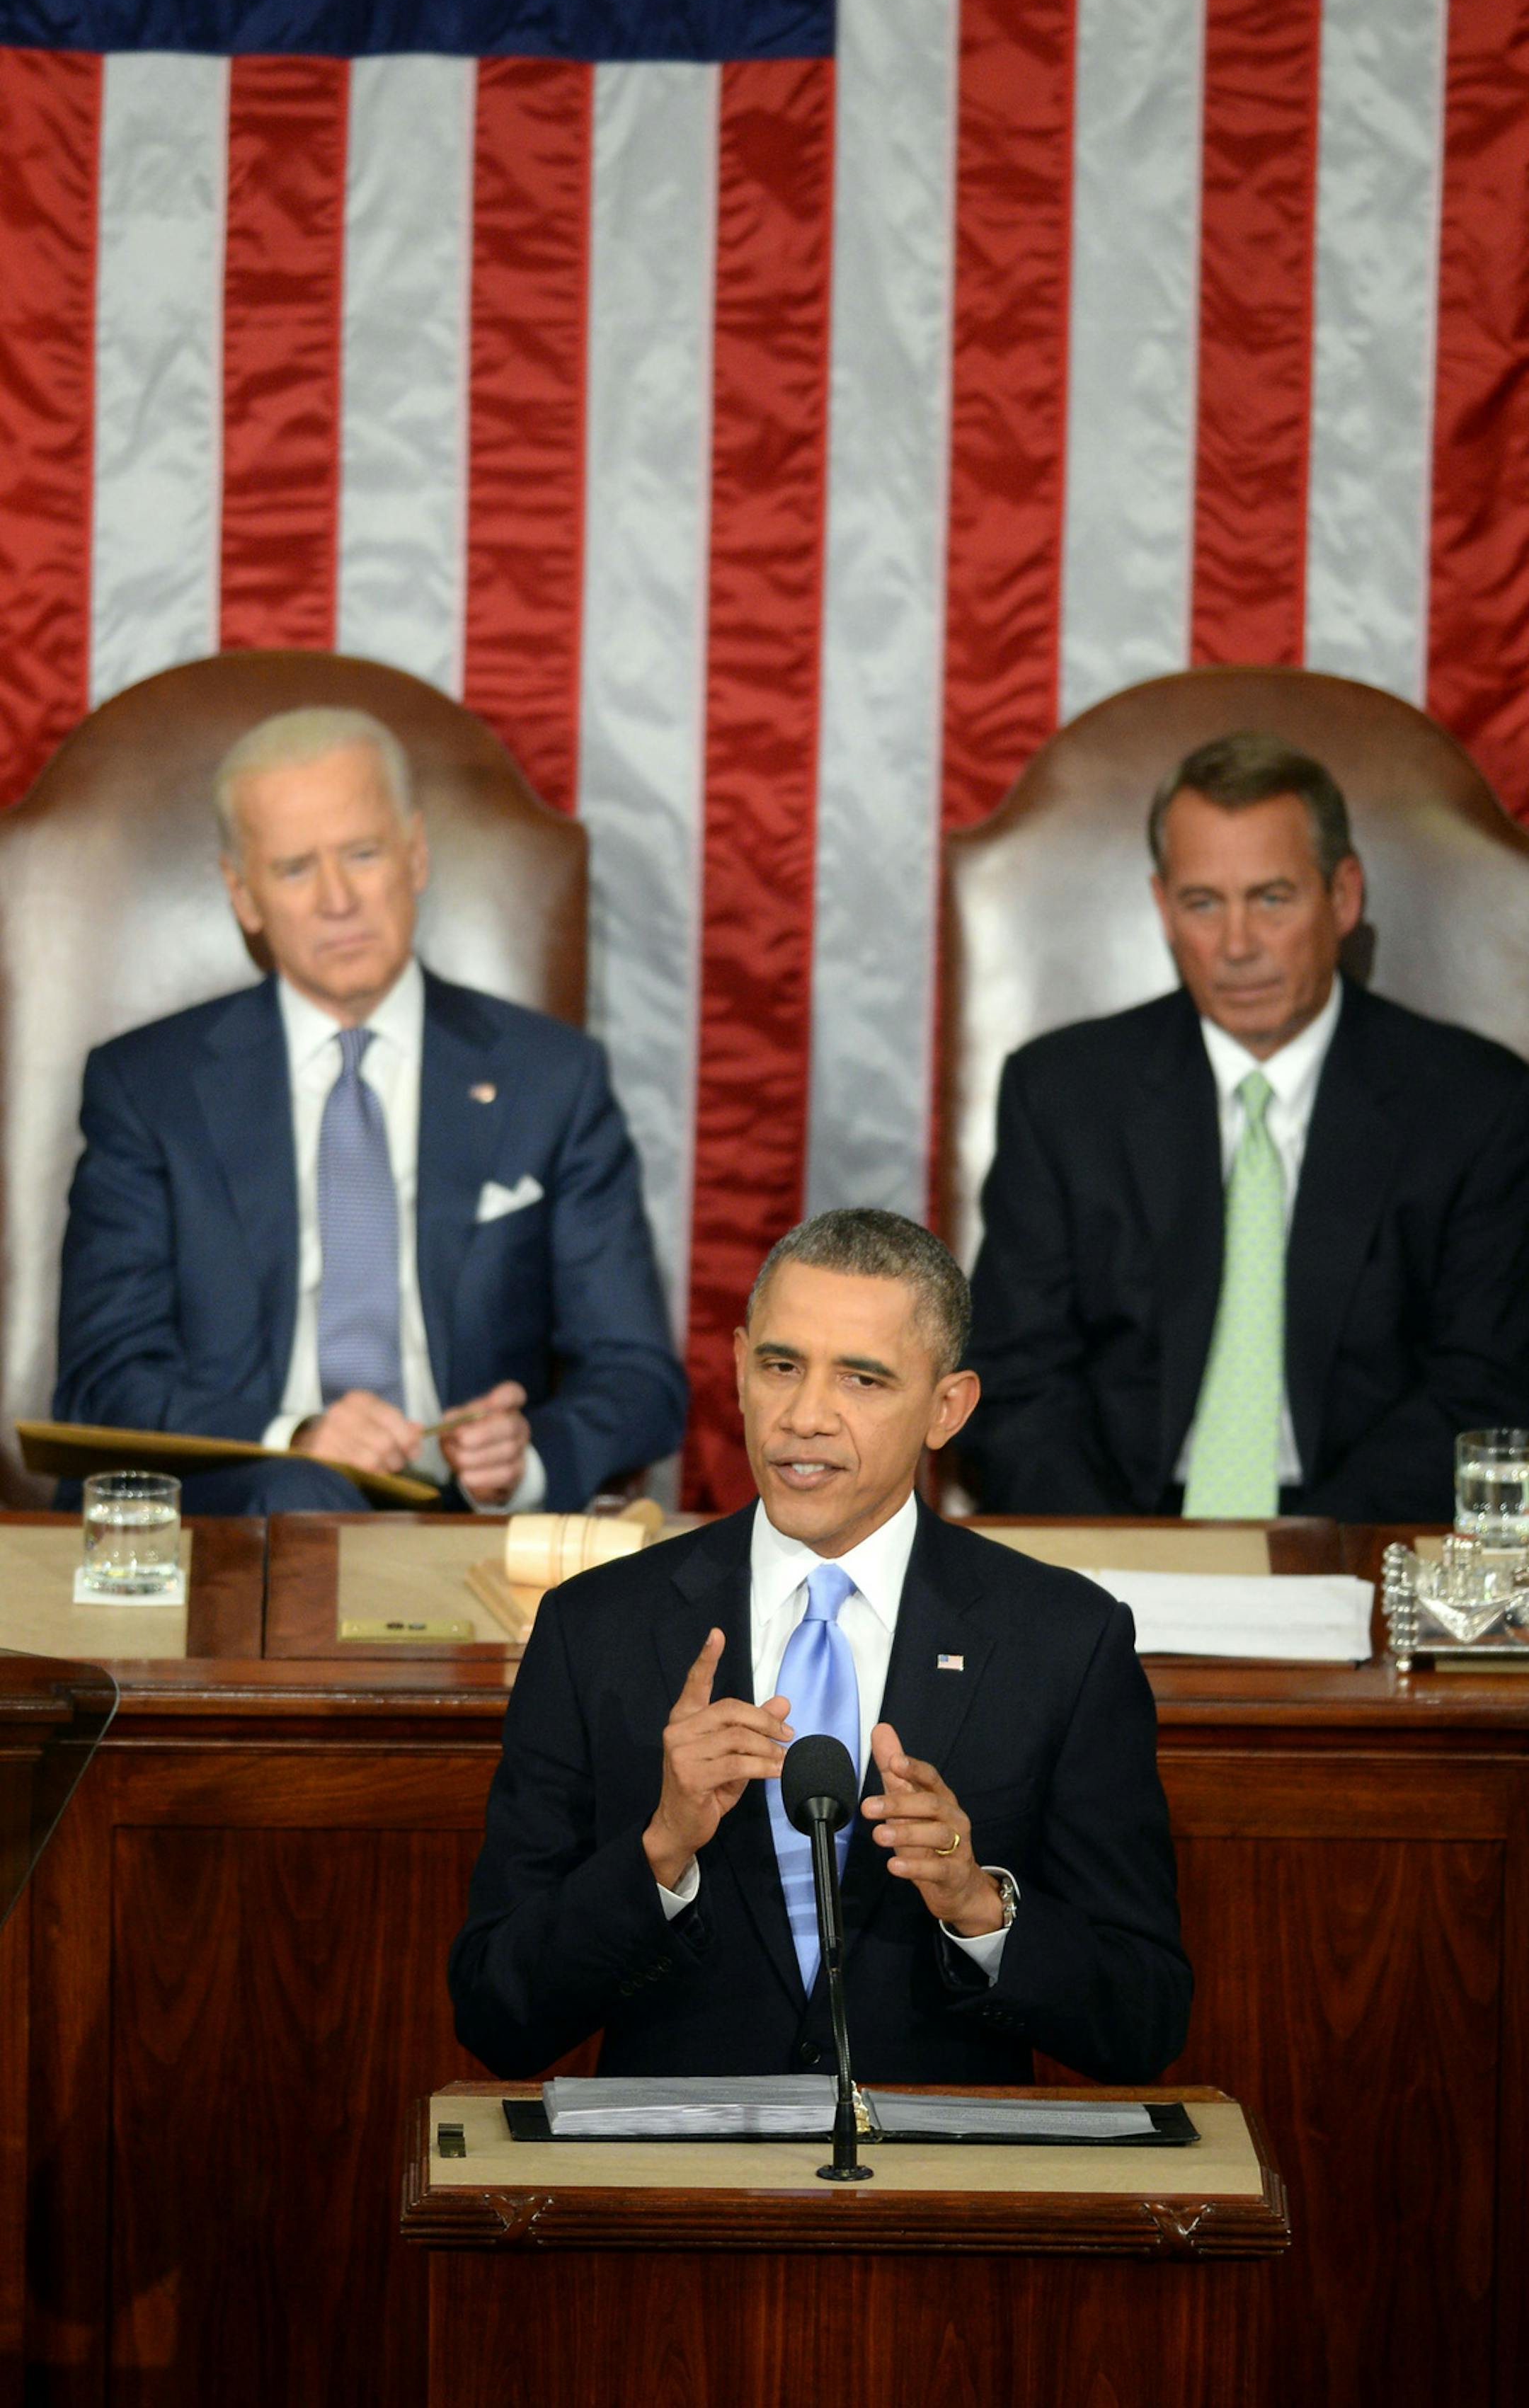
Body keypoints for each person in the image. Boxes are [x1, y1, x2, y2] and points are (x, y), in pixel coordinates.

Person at [449, 1209, 1190, 2085]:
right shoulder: (595, 1630)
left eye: (864, 1381)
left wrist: (975, 1905)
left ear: (947, 1409)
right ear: (737, 1367)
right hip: (678, 2196)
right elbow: (497, 2012)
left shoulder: (1063, 1641)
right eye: (781, 1366)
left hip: (939, 2199)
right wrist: (661, 1849)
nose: (805, 1416)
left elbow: (1143, 2020)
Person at [53, 706, 686, 1514]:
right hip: (236, 1524)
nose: (338, 899)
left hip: (462, 1534)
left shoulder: (551, 1078)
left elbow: (638, 1377)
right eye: (293, 869)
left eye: (362, 853)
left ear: (415, 854)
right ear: (243, 896)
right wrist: (297, 1437)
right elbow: (104, 1377)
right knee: (304, 1492)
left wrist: (524, 1462)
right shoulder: (146, 1088)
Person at [963, 731, 1529, 1522]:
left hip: (1365, 1537)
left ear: (1343, 897)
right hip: (1117, 1528)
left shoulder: (1477, 1106)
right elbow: (1015, 1381)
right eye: (1203, 903)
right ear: (1163, 908)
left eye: (1271, 898)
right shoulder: (1062, 1096)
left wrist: (1308, 1563)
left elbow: (1483, 1390)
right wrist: (1110, 1576)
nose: (1236, 946)